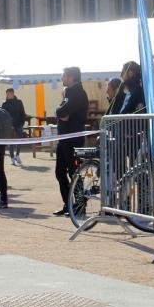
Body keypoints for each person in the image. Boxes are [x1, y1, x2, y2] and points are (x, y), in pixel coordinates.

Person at [53, 66, 89, 216]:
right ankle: (68, 204)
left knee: (74, 172)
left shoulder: (78, 93)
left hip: (73, 139)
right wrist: (60, 112)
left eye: (64, 76)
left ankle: (80, 205)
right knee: (59, 172)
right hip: (63, 139)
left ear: (72, 77)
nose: (62, 78)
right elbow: (61, 113)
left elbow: (63, 113)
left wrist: (60, 111)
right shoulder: (68, 92)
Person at [1, 88, 26, 166]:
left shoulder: (19, 102)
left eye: (9, 93)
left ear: (13, 94)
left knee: (19, 141)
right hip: (9, 126)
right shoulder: (4, 104)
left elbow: (23, 113)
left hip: (18, 124)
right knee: (11, 142)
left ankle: (17, 155)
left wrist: (22, 123)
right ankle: (12, 157)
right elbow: (3, 116)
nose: (8, 95)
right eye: (7, 94)